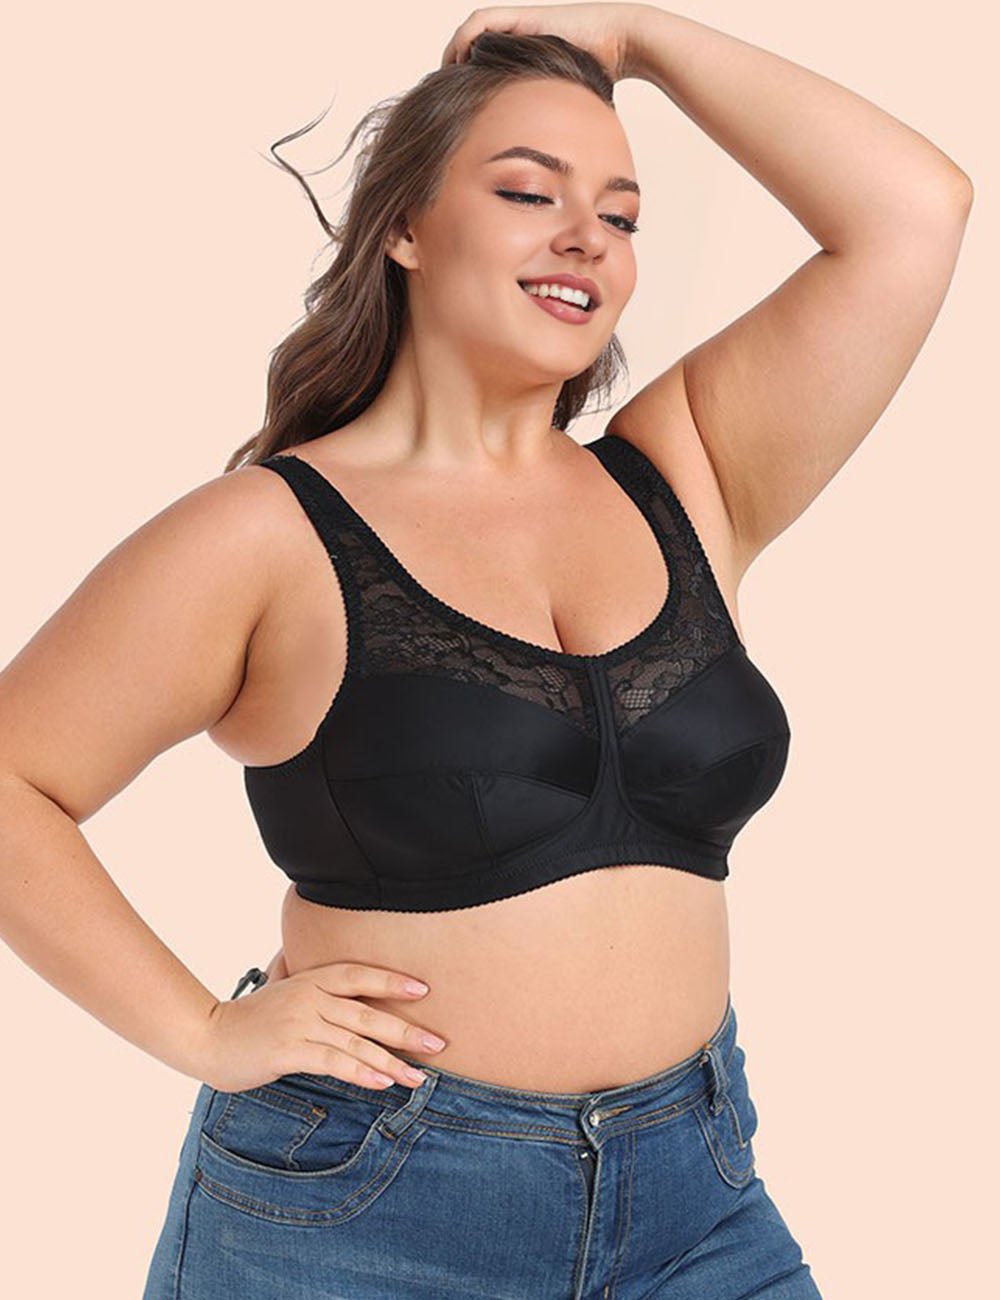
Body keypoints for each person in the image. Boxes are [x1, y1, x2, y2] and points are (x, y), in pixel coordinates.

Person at [0, 5, 972, 1297]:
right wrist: (202, 1028)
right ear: (405, 225)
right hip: (367, 1216)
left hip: (694, 1197)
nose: (586, 236)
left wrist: (637, 35)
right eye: (527, 191)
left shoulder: (688, 470)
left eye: (622, 215)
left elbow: (915, 210)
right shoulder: (268, 534)